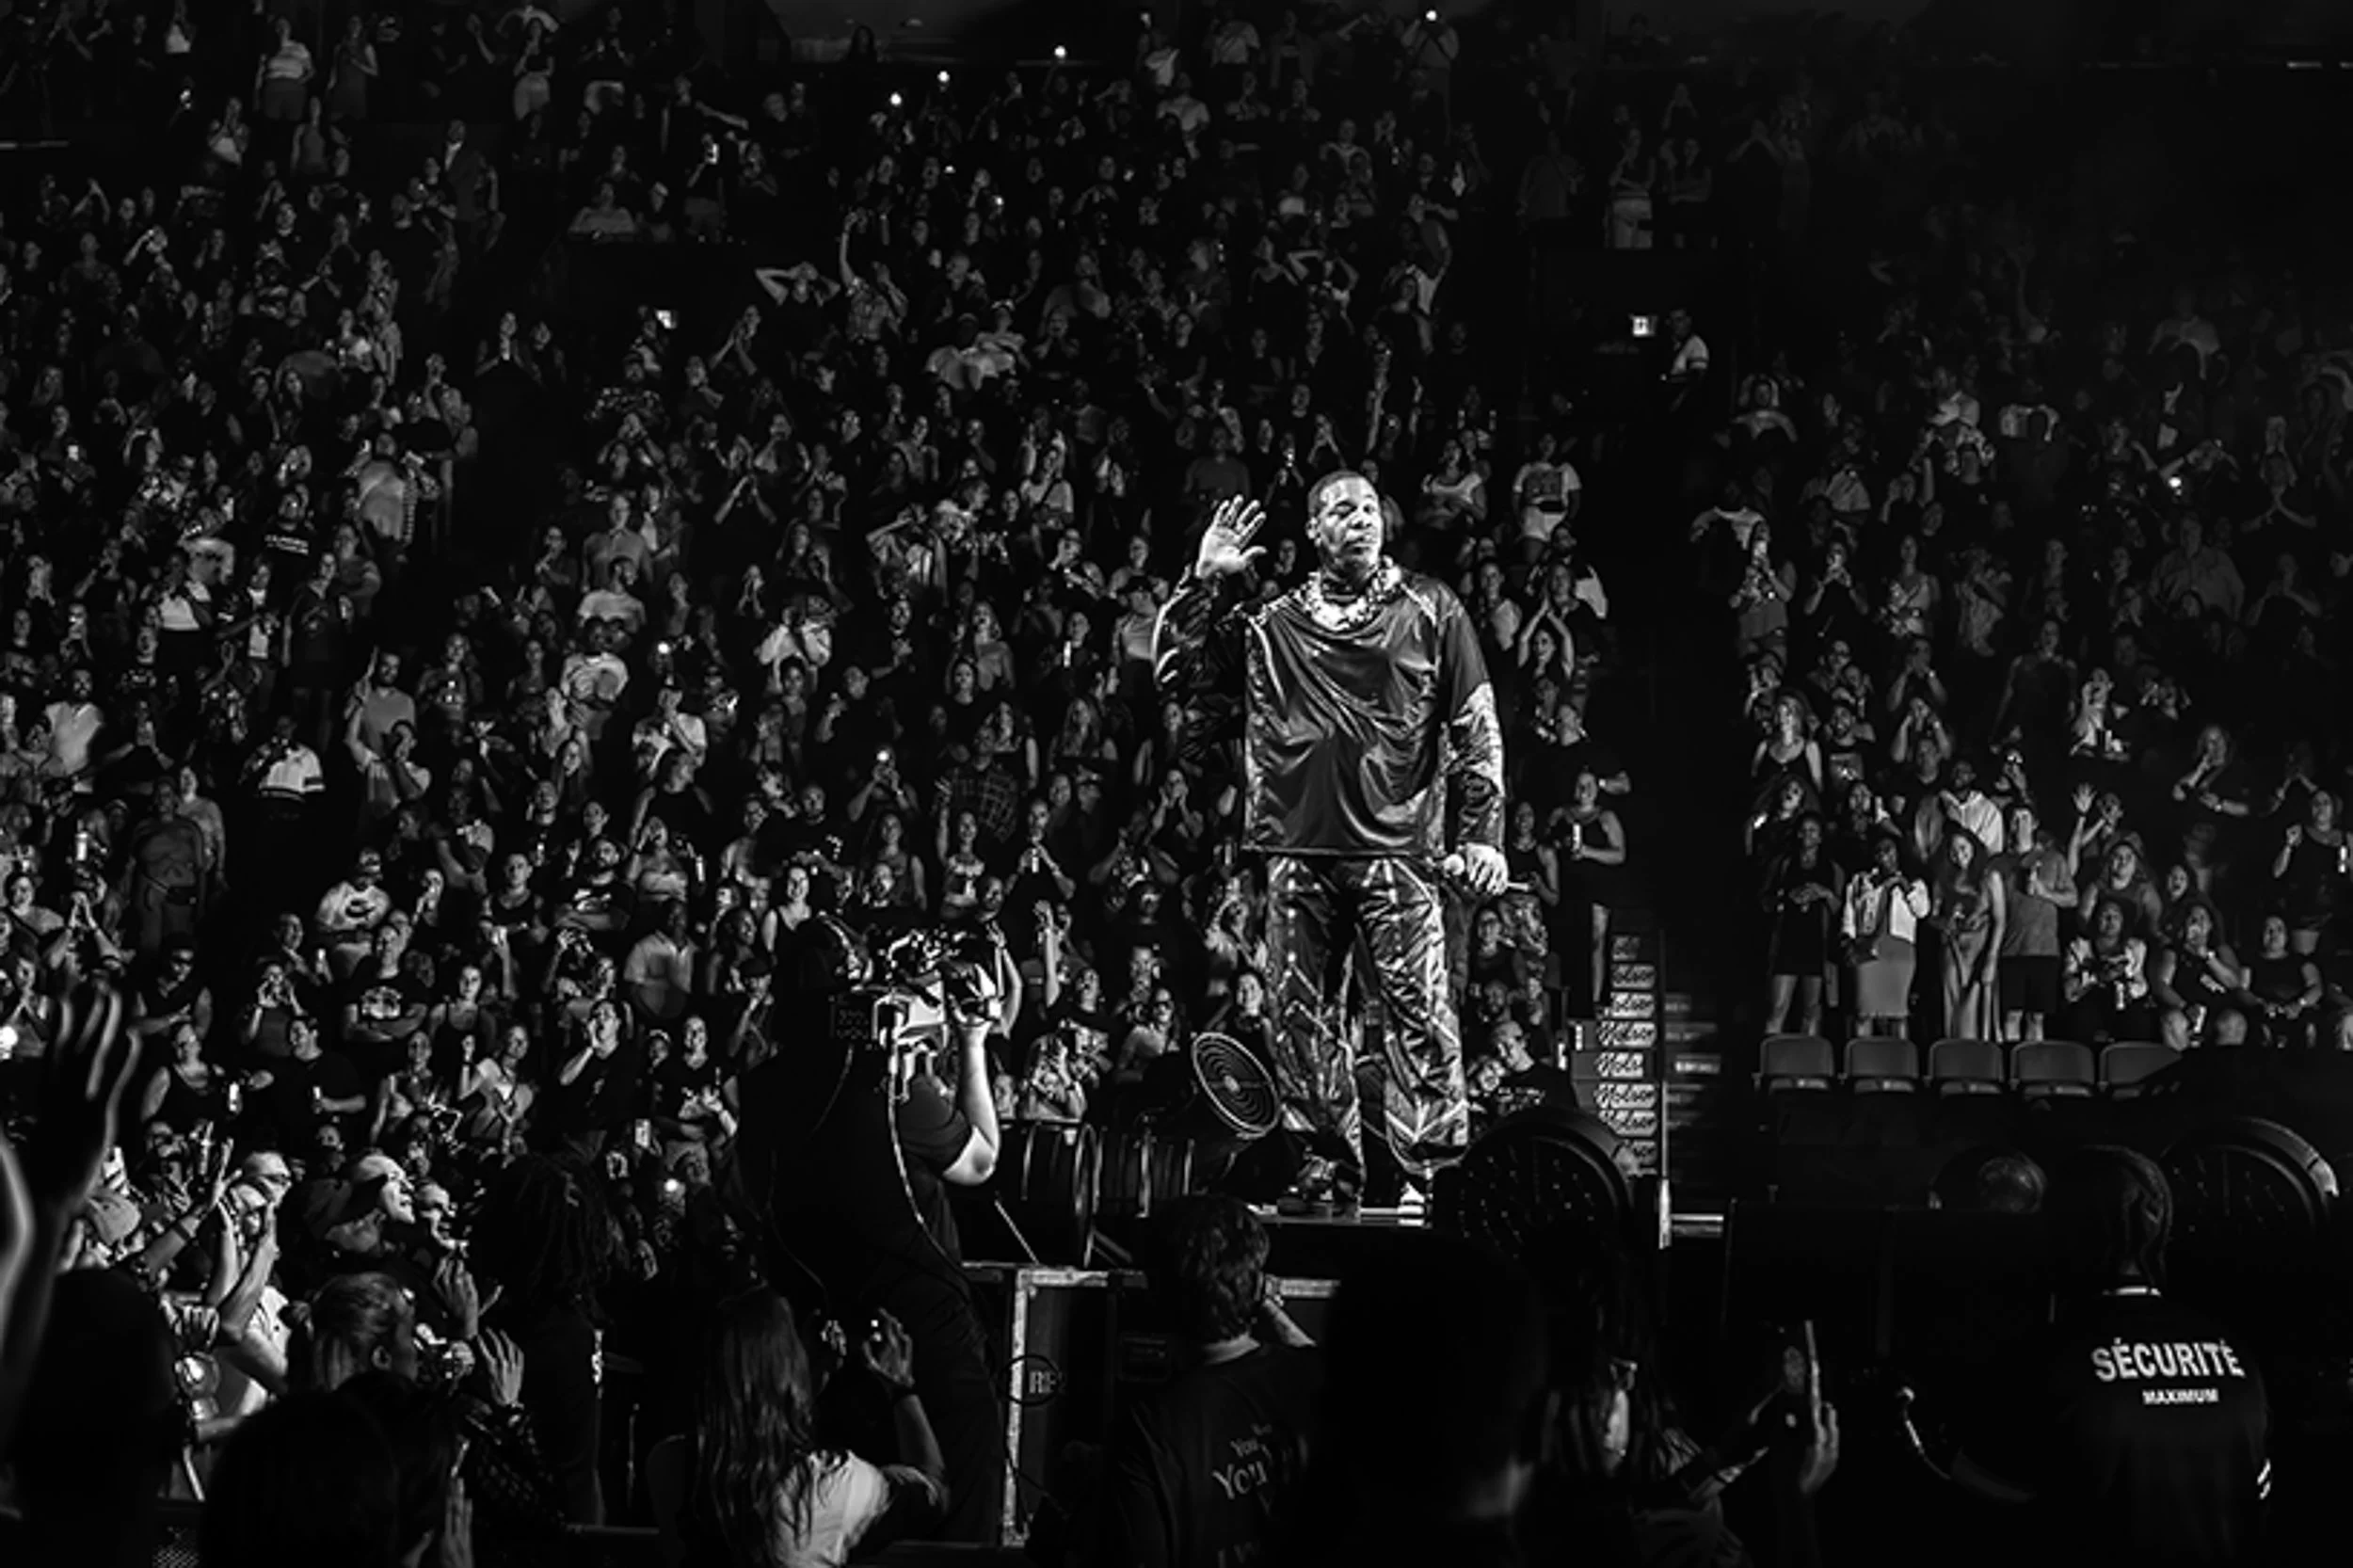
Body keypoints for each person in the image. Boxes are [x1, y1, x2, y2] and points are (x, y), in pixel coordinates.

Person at [1154, 482, 1508, 1210]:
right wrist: (1202, 582)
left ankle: (1435, 1172)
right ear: (1315, 530)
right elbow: (1177, 683)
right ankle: (1325, 1165)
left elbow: (1476, 721)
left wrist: (1483, 835)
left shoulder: (1431, 607)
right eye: (1343, 509)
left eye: (1373, 507)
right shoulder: (1268, 622)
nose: (1362, 518)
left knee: (1419, 1012)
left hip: (1399, 849)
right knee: (1300, 1020)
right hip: (1298, 851)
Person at [1955, 1147, 2268, 1567]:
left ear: (2059, 1233)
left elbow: (1979, 1503)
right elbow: (2255, 1503)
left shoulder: (2041, 1359)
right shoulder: (2237, 1355)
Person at [1096, 1196, 1321, 1568]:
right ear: (1259, 1286)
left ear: (1156, 1297)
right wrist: (1260, 1301)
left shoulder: (1149, 1430)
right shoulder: (1314, 1381)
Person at [648, 1291, 947, 1568]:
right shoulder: (830, 1484)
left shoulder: (669, 1466)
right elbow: (931, 1492)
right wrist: (899, 1387)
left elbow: (752, 1442)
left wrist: (808, 1380)